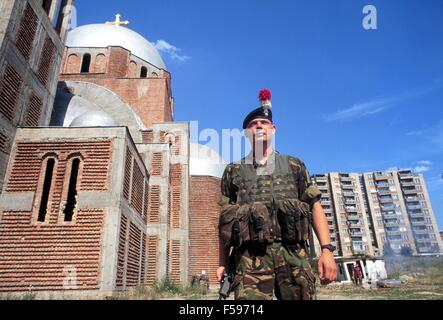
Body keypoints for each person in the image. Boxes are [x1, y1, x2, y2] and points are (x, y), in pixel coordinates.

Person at [217, 89, 337, 300]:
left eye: (264, 123)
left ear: (274, 130)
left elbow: (315, 207)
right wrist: (222, 263)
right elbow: (224, 223)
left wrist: (327, 250)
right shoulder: (233, 171)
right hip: (250, 261)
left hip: (294, 258)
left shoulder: (294, 166)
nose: (259, 126)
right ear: (246, 133)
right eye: (253, 124)